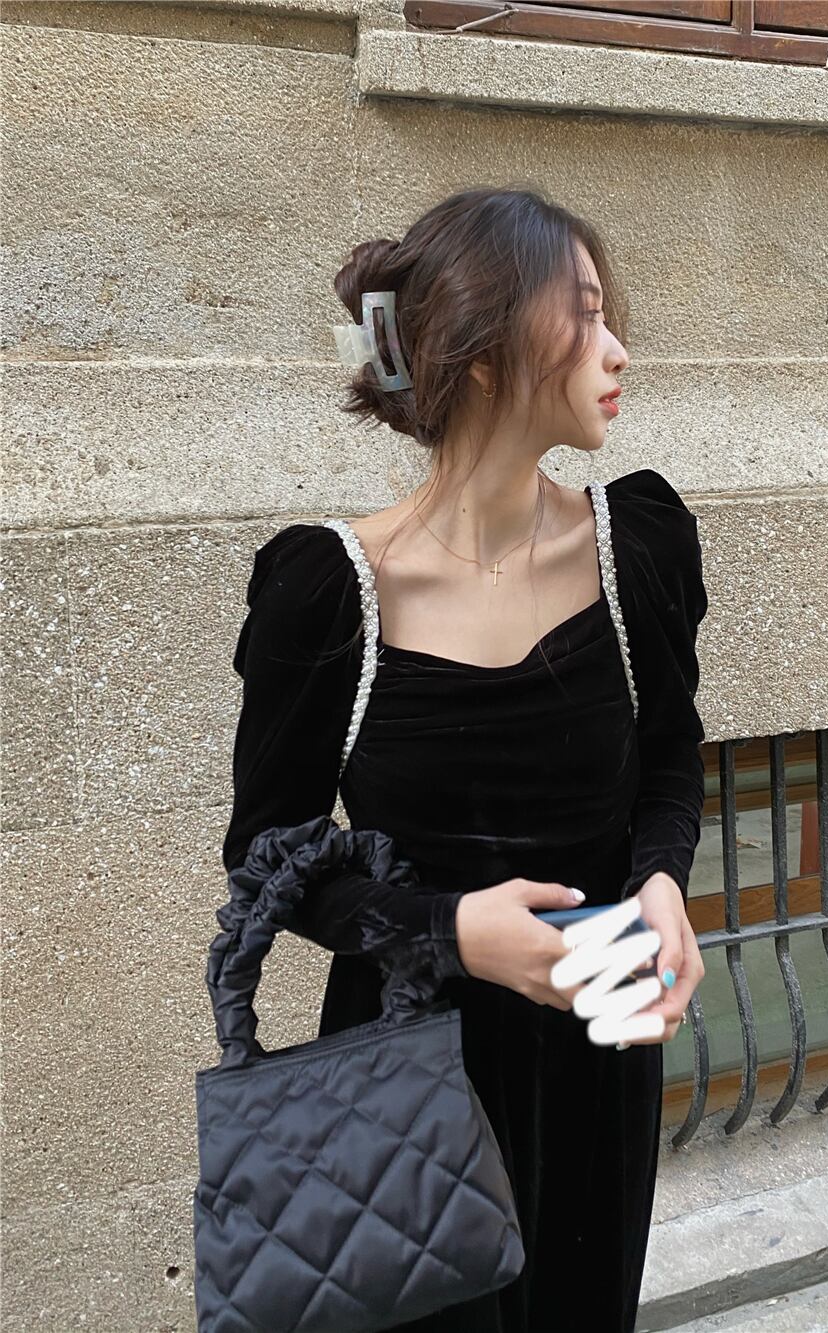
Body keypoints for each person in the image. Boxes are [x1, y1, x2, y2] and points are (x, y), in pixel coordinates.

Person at [221, 186, 707, 1333]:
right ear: (485, 351)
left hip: (600, 1022)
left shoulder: (635, 545)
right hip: (404, 1059)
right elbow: (267, 856)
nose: (617, 349)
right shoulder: (328, 588)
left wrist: (659, 878)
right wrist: (451, 931)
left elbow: (669, 758)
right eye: (583, 315)